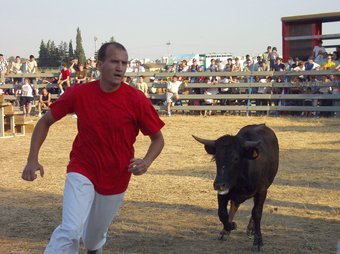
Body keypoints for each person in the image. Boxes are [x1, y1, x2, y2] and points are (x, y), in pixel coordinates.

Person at [21, 42, 165, 254]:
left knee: (92, 240)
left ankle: (94, 248)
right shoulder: (80, 93)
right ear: (99, 64)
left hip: (116, 176)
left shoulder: (136, 100)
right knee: (70, 230)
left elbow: (158, 139)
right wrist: (32, 158)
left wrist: (147, 161)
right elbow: (45, 121)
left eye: (124, 63)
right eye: (114, 61)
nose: (120, 68)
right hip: (82, 168)